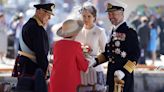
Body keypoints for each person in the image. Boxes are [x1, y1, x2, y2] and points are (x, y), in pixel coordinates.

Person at [92, 0, 140, 92]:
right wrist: (95, 61)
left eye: (113, 14)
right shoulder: (113, 32)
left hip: (123, 78)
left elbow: (135, 55)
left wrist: (124, 72)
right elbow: (108, 53)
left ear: (122, 14)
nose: (111, 17)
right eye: (109, 14)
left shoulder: (130, 32)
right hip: (111, 74)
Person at [12, 3, 55, 92]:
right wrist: (45, 71)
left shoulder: (29, 25)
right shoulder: (37, 29)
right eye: (48, 14)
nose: (49, 18)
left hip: (25, 65)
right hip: (32, 67)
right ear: (39, 12)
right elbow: (40, 52)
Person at [49, 19, 90, 92]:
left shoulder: (57, 45)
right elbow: (84, 67)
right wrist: (87, 58)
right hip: (70, 83)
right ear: (75, 33)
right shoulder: (76, 46)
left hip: (55, 81)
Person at [75, 2, 107, 91]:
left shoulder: (100, 31)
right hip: (80, 69)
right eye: (84, 16)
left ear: (94, 17)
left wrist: (94, 61)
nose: (86, 19)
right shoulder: (77, 31)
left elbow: (106, 52)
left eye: (89, 16)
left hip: (95, 68)